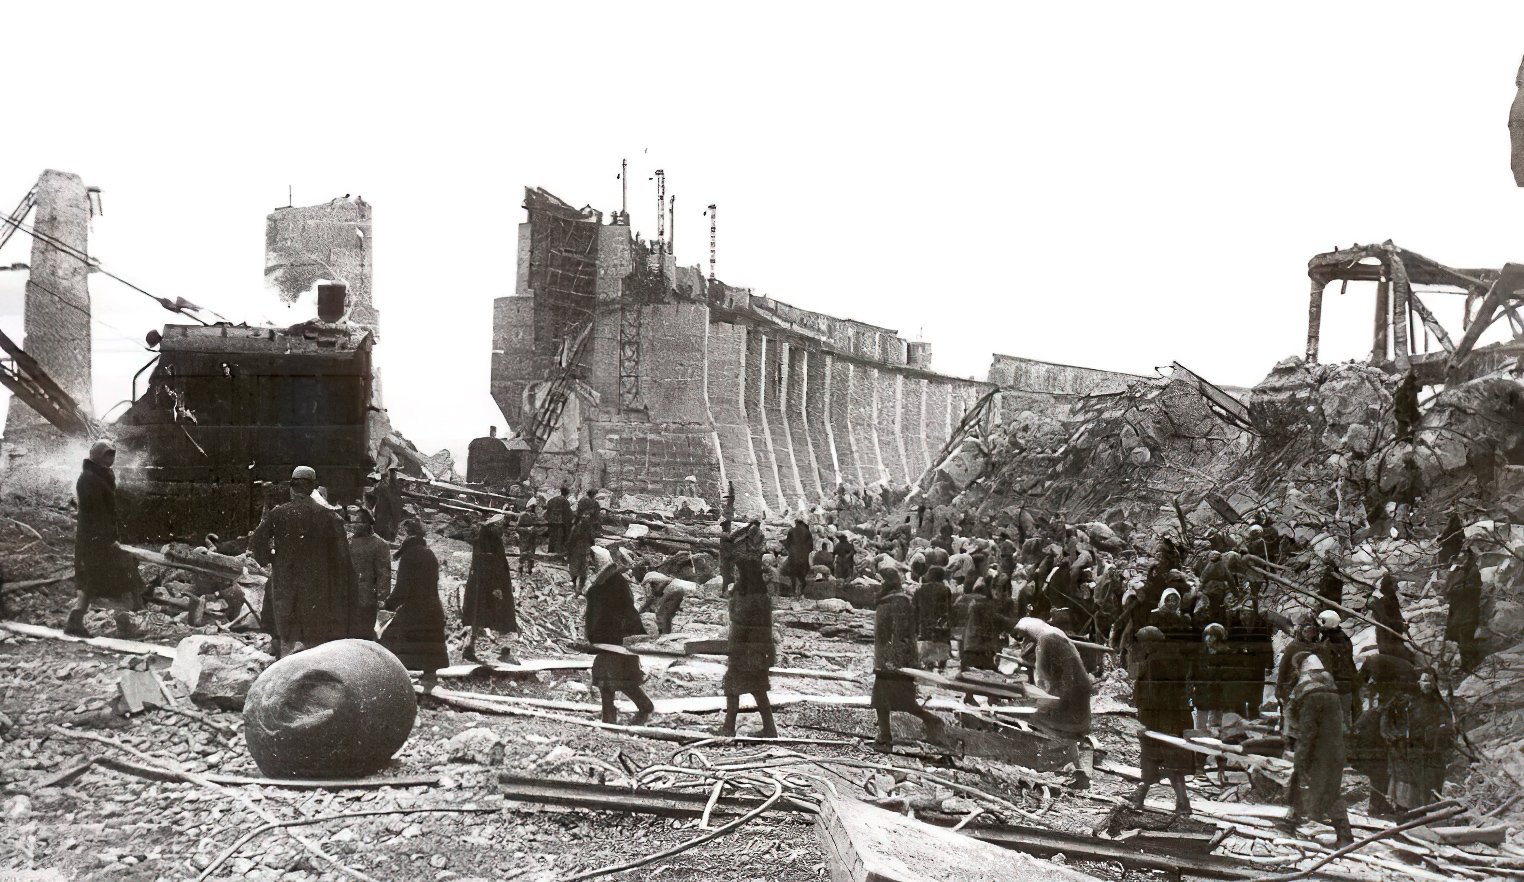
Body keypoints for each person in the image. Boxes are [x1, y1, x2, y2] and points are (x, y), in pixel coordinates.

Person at [250, 466, 359, 658]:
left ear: (292, 487)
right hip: (316, 592)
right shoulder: (328, 516)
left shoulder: (278, 513)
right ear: (313, 488)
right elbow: (342, 560)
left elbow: (256, 542)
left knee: (286, 642)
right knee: (313, 648)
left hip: (285, 587)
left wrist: (271, 559)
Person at [65, 440, 148, 639]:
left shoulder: (102, 476)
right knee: (97, 579)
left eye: (112, 455)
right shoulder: (88, 479)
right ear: (96, 456)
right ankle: (133, 621)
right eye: (106, 455)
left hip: (101, 537)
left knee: (102, 579)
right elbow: (97, 514)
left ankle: (132, 619)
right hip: (93, 539)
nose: (110, 459)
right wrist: (109, 539)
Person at [871, 566, 948, 751]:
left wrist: (888, 660)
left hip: (888, 662)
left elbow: (886, 635)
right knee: (899, 701)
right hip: (901, 660)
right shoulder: (903, 601)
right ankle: (888, 735)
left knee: (885, 701)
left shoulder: (887, 603)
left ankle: (887, 738)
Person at [1012, 617, 1094, 786]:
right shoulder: (1053, 633)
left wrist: (1037, 699)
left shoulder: (1045, 640)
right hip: (1078, 692)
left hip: (1068, 696)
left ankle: (1062, 766)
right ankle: (1074, 766)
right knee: (1063, 726)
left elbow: (1044, 680)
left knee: (1038, 716)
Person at [1283, 654, 1354, 847]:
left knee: (1322, 791)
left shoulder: (1310, 698)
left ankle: (1345, 838)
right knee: (1328, 790)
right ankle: (1292, 822)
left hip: (1317, 754)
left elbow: (1308, 732)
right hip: (1335, 752)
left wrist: (1300, 757)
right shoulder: (1333, 695)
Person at [584, 549, 655, 725]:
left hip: (615, 638)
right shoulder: (607, 581)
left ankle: (619, 714)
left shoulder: (612, 583)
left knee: (612, 679)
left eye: (592, 563)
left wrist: (601, 634)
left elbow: (622, 612)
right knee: (613, 679)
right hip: (608, 639)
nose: (590, 566)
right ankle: (633, 709)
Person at [1129, 626, 1195, 814]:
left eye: (1143, 643)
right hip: (1176, 719)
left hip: (1158, 720)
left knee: (1150, 759)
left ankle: (1139, 800)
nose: (1142, 647)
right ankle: (1183, 802)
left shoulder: (1154, 662)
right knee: (1174, 763)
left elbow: (1149, 696)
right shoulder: (1176, 658)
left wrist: (1142, 720)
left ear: (1151, 642)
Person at [379, 519, 449, 694]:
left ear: (407, 534)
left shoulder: (409, 556)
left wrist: (388, 603)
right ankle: (430, 677)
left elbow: (403, 587)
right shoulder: (429, 553)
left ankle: (396, 681)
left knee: (391, 640)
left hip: (415, 608)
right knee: (429, 641)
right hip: (432, 606)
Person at [720, 555, 776, 738]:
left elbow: (739, 624)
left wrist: (731, 648)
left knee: (732, 688)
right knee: (758, 689)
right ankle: (769, 729)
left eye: (738, 571)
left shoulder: (745, 597)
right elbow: (768, 629)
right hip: (758, 652)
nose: (735, 574)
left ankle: (728, 728)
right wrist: (770, 652)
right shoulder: (762, 596)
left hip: (743, 650)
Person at [1382, 670, 1453, 813]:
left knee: (1428, 785)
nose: (1426, 686)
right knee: (1408, 783)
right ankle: (1406, 810)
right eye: (1424, 682)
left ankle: (1426, 811)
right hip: (1412, 750)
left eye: (1429, 682)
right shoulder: (1409, 703)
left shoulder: (1440, 706)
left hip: (1431, 753)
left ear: (1434, 684)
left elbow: (1447, 728)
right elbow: (1397, 723)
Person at [462, 514, 518, 664]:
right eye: (499, 526)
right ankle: (504, 652)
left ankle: (470, 647)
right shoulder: (491, 541)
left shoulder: (483, 540)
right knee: (502, 616)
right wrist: (496, 587)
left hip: (483, 586)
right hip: (494, 586)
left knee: (479, 616)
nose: (502, 529)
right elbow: (493, 565)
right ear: (493, 526)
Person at [349, 509, 391, 640]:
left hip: (367, 597)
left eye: (359, 522)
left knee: (364, 633)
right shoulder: (349, 541)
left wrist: (382, 597)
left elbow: (384, 573)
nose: (355, 525)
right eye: (353, 522)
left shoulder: (380, 545)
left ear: (368, 523)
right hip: (348, 595)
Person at [1316, 610, 1359, 723]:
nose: (1320, 625)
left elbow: (1336, 656)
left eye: (1323, 621)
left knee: (1341, 713)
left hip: (1341, 679)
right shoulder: (1332, 636)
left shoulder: (1337, 638)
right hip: (1340, 677)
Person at [1446, 548, 1484, 673]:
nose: (1461, 559)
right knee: (1458, 639)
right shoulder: (1458, 571)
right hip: (1458, 611)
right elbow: (1447, 590)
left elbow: (1473, 590)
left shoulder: (1473, 571)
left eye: (1464, 556)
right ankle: (1465, 665)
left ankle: (1471, 666)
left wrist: (1457, 588)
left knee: (1466, 638)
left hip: (1468, 611)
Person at [914, 565, 953, 672]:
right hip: (941, 629)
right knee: (941, 664)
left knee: (926, 663)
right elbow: (949, 611)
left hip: (925, 628)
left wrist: (915, 629)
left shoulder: (921, 589)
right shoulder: (946, 590)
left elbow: (915, 611)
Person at [1369, 574, 1413, 663]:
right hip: (1387, 641)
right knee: (1408, 660)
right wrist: (1401, 625)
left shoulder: (1392, 599)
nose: (1396, 588)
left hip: (1395, 638)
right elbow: (1385, 621)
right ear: (1388, 586)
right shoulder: (1381, 602)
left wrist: (1402, 622)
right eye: (1395, 586)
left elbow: (1396, 615)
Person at [782, 518, 813, 597]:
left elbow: (788, 544)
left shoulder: (791, 531)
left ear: (796, 522)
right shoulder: (807, 532)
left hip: (793, 556)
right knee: (802, 575)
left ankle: (793, 590)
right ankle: (802, 592)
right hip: (804, 557)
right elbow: (811, 547)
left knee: (792, 574)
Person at [372, 466, 404, 542]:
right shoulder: (386, 488)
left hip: (387, 514)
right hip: (384, 514)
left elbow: (394, 504)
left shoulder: (392, 488)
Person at [566, 514, 596, 594]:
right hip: (584, 552)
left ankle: (575, 586)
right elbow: (592, 540)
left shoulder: (575, 529)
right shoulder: (588, 529)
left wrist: (568, 552)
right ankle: (580, 588)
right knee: (583, 571)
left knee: (574, 570)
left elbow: (570, 541)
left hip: (575, 552)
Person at [544, 486, 573, 555]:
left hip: (551, 521)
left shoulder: (552, 500)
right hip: (560, 522)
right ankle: (558, 553)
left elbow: (548, 510)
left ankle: (551, 551)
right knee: (559, 537)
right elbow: (567, 514)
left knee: (552, 537)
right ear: (567, 494)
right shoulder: (565, 501)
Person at [516, 501, 541, 577]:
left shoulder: (535, 516)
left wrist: (535, 531)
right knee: (523, 554)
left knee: (531, 555)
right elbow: (517, 528)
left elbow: (538, 526)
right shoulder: (523, 516)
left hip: (532, 539)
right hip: (524, 538)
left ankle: (529, 570)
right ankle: (520, 570)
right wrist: (527, 529)